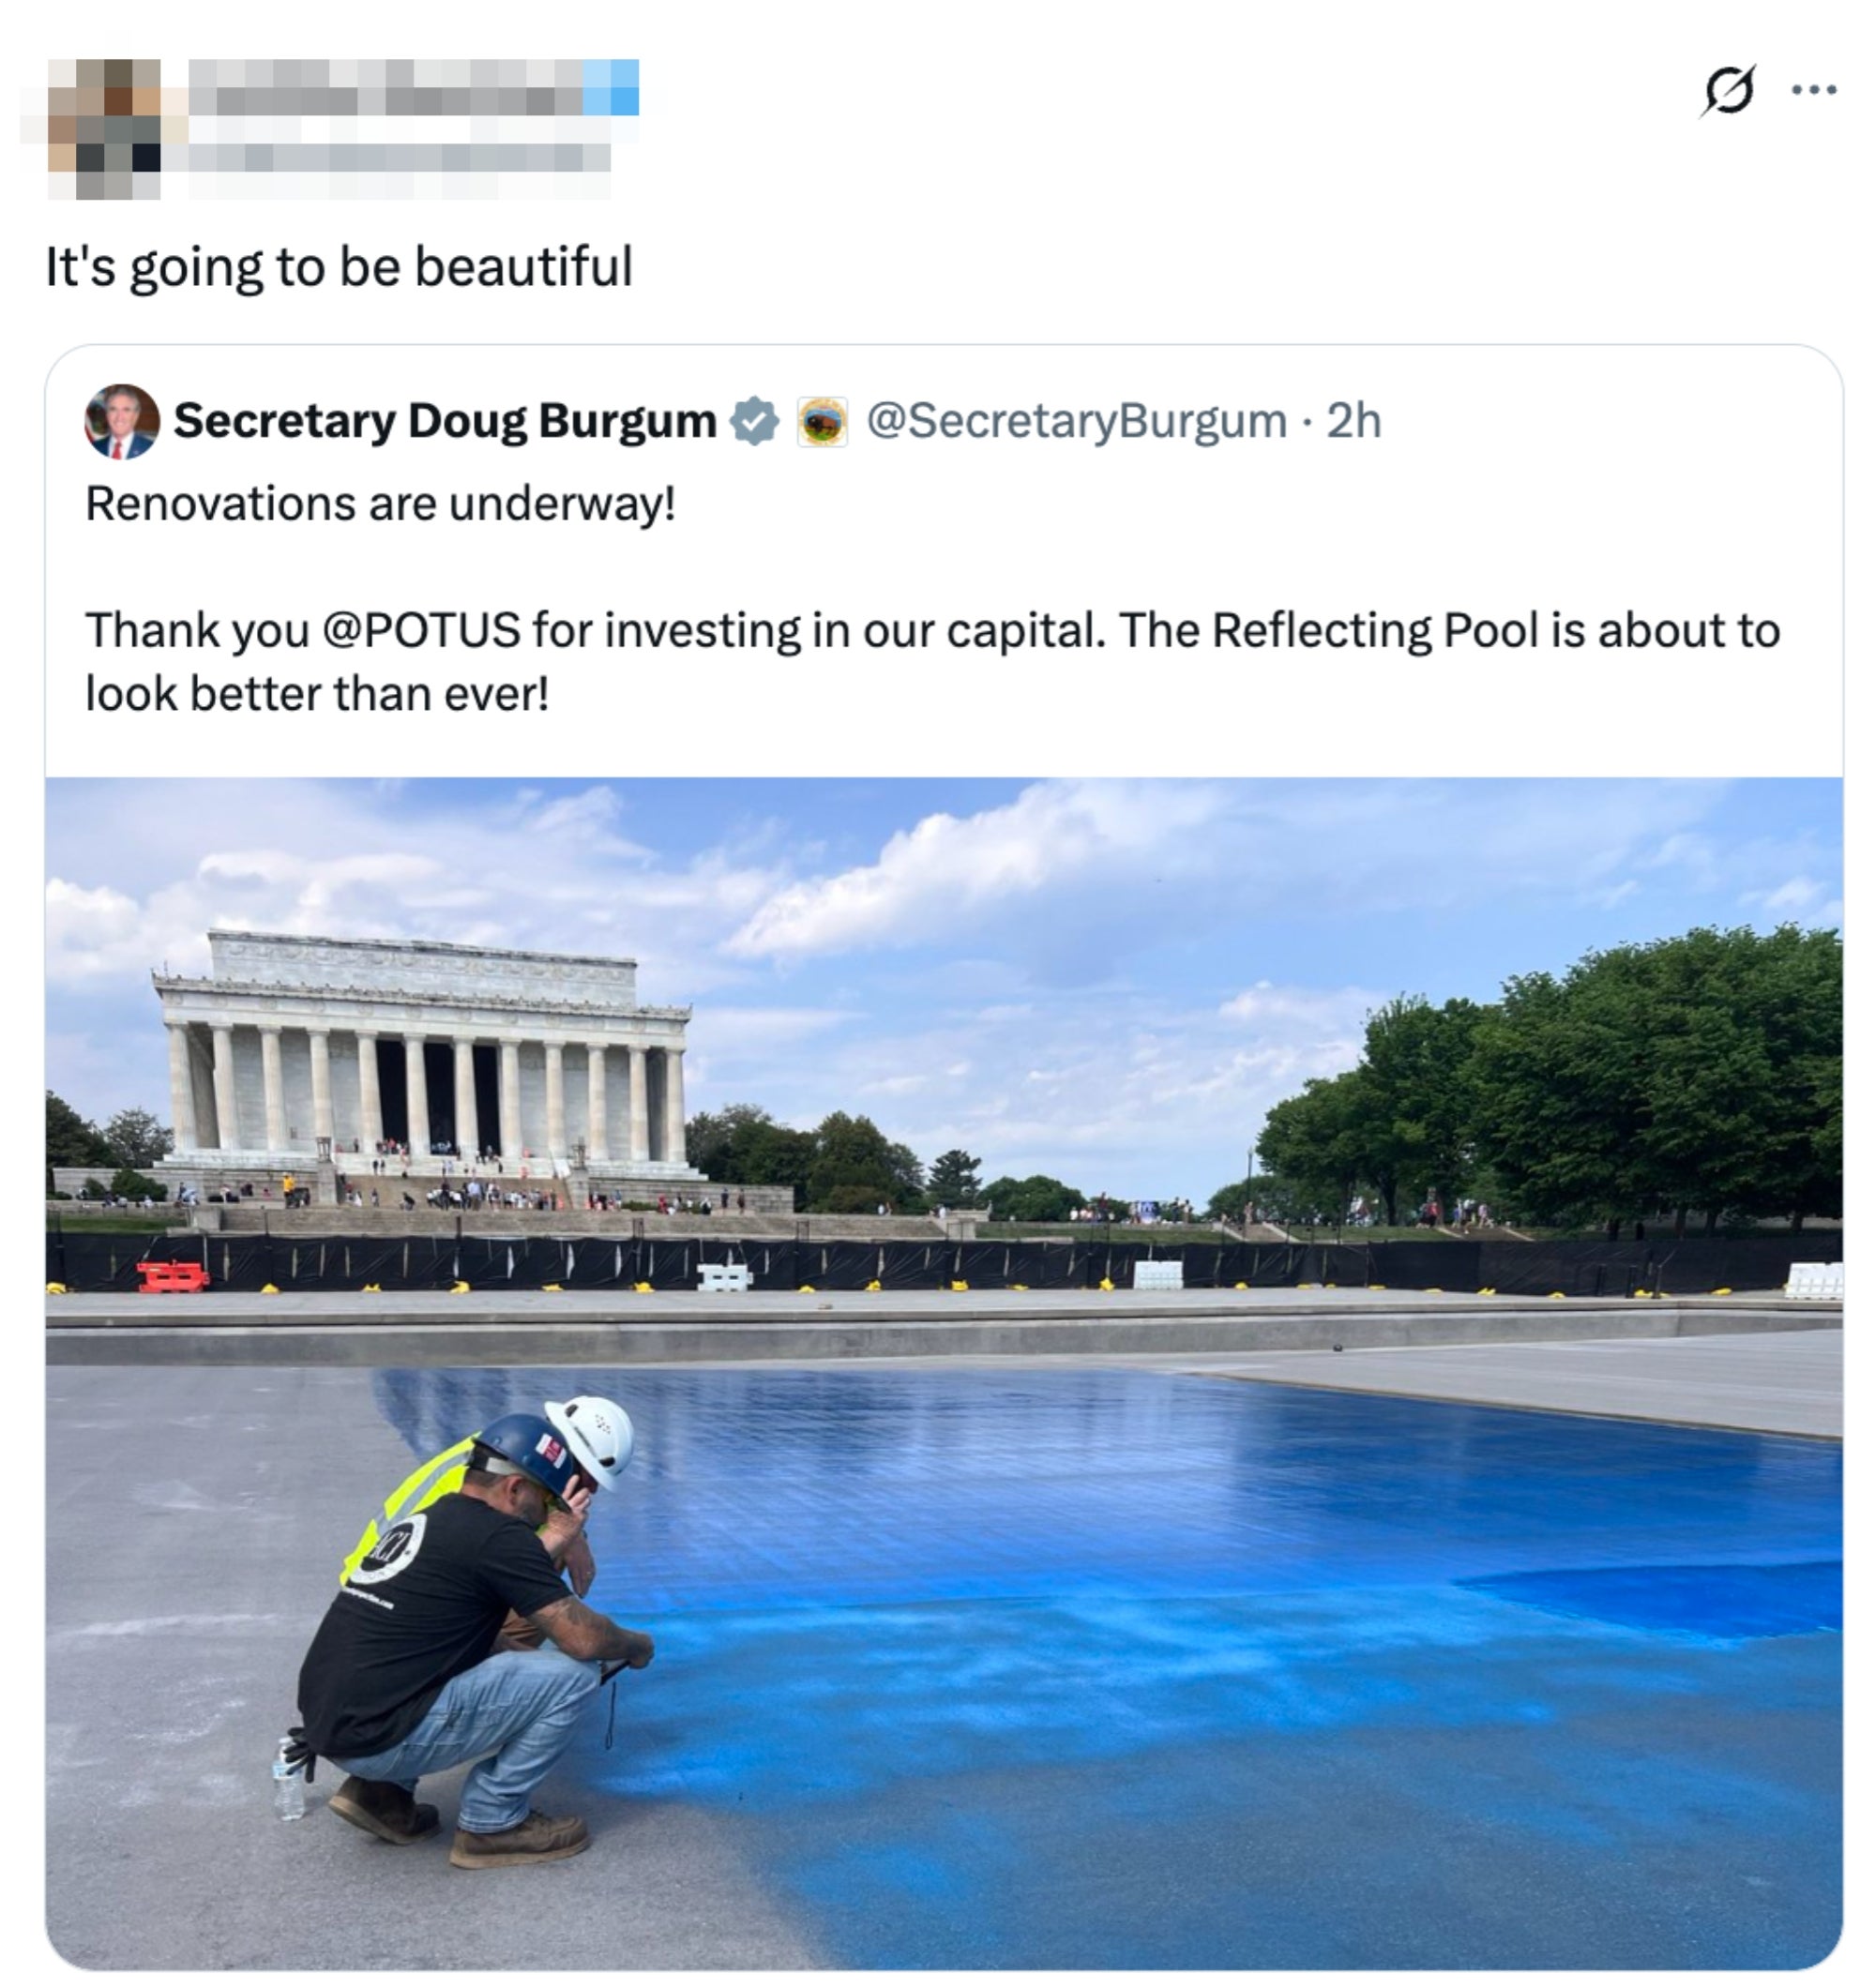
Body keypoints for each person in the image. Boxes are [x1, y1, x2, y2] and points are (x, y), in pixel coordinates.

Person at [293, 1411, 655, 1868]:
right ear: (515, 1489)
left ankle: (383, 1795)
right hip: (376, 1736)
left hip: (335, 1723)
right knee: (574, 1675)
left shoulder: (436, 1517)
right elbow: (581, 1639)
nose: (548, 1513)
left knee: (471, 1653)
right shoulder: (498, 1536)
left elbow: (468, 1637)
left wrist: (521, 1670)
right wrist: (635, 1645)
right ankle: (493, 1823)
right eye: (546, 1498)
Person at [93, 385, 154, 459]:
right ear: (107, 414)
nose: (119, 417)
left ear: (136, 415)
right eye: (113, 409)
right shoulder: (95, 447)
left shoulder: (149, 447)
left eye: (126, 410)